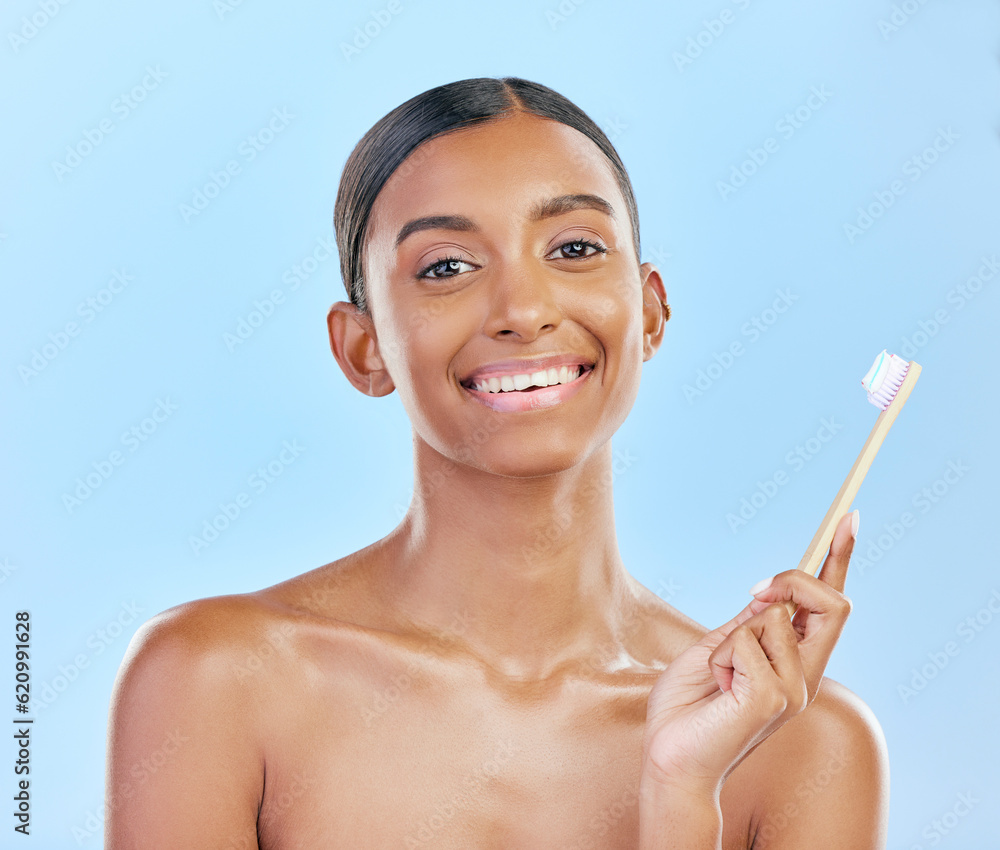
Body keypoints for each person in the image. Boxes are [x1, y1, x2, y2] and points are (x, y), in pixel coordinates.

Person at [104, 77, 888, 849]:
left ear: (649, 311)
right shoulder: (212, 682)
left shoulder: (802, 743)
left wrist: (683, 794)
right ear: (363, 346)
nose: (523, 310)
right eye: (446, 266)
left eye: (575, 248)